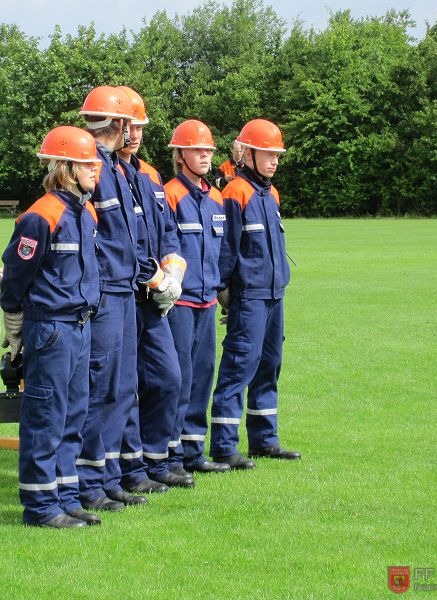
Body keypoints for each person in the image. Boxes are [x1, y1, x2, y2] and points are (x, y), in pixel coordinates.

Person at [0, 125, 102, 528]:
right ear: (66, 168)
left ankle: (66, 497)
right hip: (52, 329)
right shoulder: (40, 216)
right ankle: (41, 507)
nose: (96, 169)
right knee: (46, 418)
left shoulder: (86, 212)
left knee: (74, 416)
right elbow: (16, 277)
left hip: (80, 326)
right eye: (88, 163)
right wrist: (15, 326)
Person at [75, 85, 162, 511]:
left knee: (122, 387)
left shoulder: (114, 167)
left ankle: (108, 476)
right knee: (102, 388)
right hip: (106, 293)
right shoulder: (91, 164)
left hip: (124, 289)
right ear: (120, 124)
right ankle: (90, 483)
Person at [114, 87, 193, 491]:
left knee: (167, 378)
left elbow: (166, 232)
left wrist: (173, 270)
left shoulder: (149, 175)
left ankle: (156, 459)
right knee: (125, 385)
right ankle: (130, 469)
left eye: (139, 126)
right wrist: (154, 277)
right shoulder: (106, 173)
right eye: (128, 126)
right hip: (126, 294)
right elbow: (117, 242)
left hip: (155, 298)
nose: (134, 134)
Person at [211, 118, 301, 467]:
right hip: (248, 297)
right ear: (247, 154)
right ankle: (224, 447)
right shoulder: (235, 192)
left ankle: (265, 440)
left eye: (277, 154)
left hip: (274, 294)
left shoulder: (271, 193)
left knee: (269, 366)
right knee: (239, 366)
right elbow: (227, 248)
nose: (274, 160)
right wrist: (224, 293)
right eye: (267, 154)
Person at [163, 120, 231, 476]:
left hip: (206, 303)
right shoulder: (170, 194)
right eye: (197, 150)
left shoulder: (216, 198)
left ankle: (193, 452)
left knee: (202, 376)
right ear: (180, 155)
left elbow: (220, 254)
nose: (205, 156)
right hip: (179, 305)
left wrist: (223, 293)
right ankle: (171, 456)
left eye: (208, 150)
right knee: (179, 379)